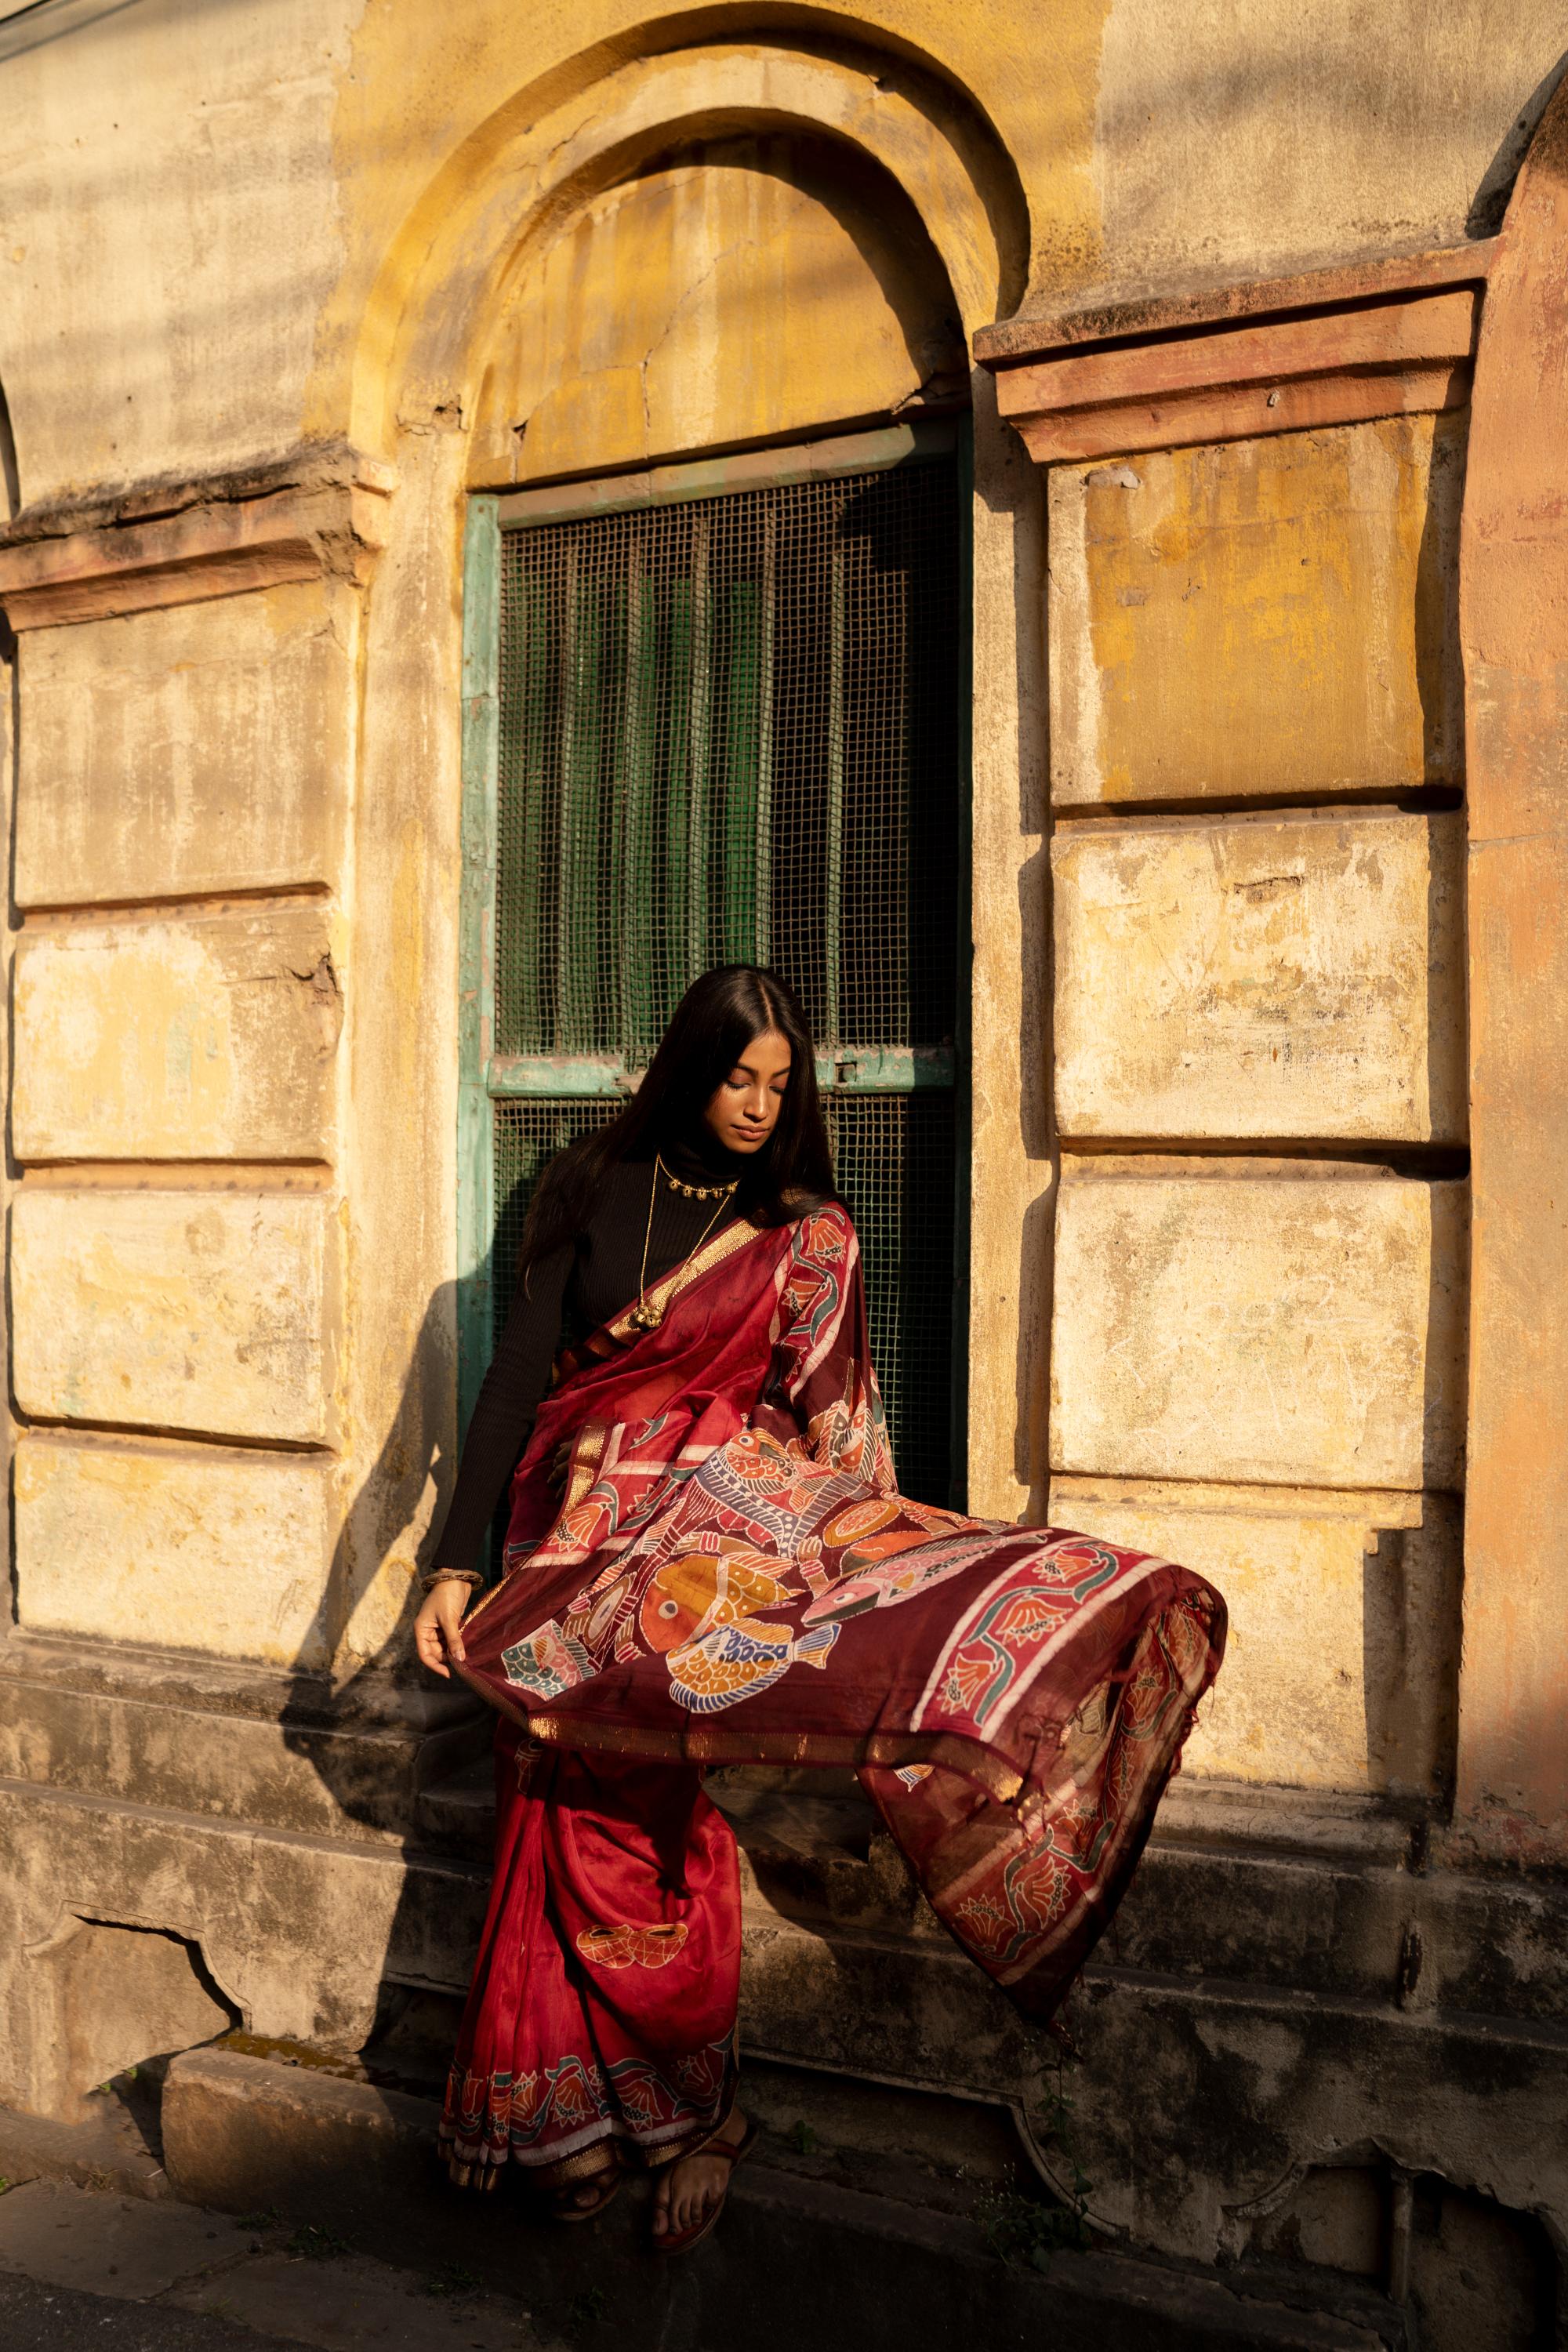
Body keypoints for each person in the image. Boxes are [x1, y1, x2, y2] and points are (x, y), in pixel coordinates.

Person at [415, 964, 1224, 2255]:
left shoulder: (805, 1234)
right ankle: (560, 2113)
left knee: (647, 1819)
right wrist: (453, 1567)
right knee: (554, 1803)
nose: (757, 1104)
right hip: (559, 1559)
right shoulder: (584, 1187)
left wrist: (845, 1597)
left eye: (781, 1084)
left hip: (696, 1573)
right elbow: (516, 1384)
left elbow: (835, 1437)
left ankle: (690, 2115)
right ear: (689, 1067)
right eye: (739, 1077)